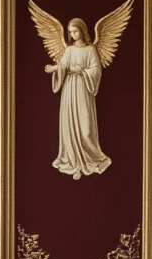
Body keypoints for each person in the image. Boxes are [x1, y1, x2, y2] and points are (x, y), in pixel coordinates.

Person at [45, 18, 111, 180]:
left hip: (83, 89)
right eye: (70, 32)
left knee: (86, 129)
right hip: (69, 90)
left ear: (82, 30)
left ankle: (94, 158)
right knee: (69, 125)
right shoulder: (69, 50)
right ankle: (74, 161)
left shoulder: (90, 50)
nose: (72, 35)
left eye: (75, 31)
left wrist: (82, 71)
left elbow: (96, 71)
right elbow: (63, 66)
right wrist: (53, 68)